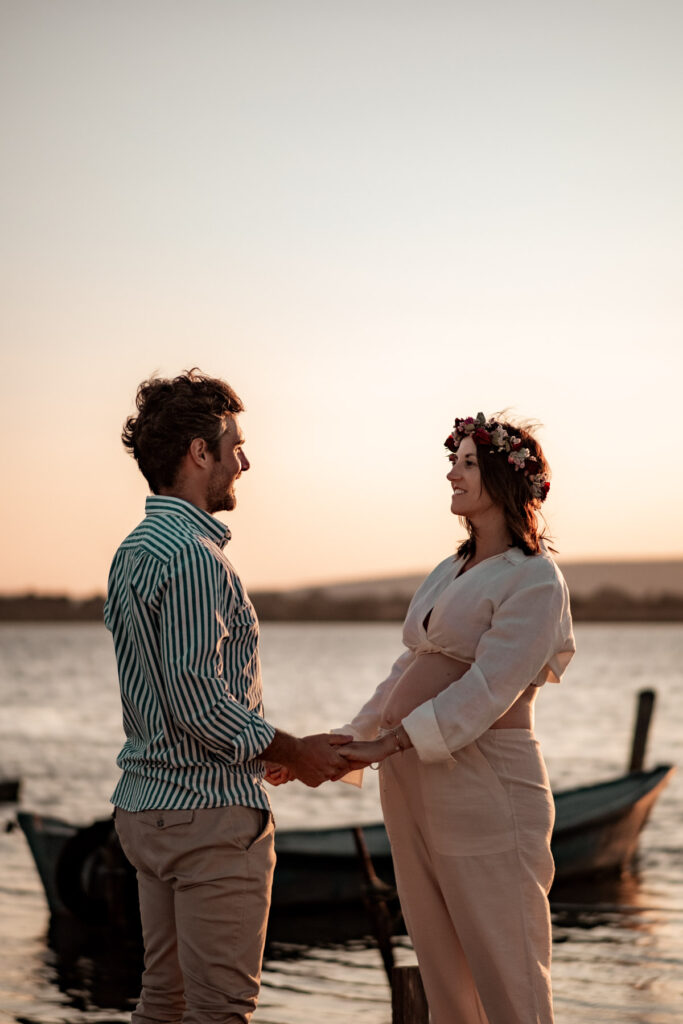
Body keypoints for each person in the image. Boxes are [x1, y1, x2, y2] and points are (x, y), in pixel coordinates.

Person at [105, 369, 351, 1024]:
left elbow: (172, 699)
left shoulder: (133, 551)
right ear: (198, 453)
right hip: (207, 819)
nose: (244, 460)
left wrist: (255, 749)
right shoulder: (192, 556)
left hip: (148, 810)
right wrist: (293, 749)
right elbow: (197, 699)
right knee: (221, 1012)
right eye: (233, 445)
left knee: (165, 1001)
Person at [336, 413, 575, 1024]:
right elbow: (409, 667)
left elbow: (488, 688)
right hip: (414, 785)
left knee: (508, 972)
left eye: (468, 463)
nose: (452, 473)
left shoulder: (534, 578)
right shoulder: (451, 570)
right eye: (456, 460)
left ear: (503, 476)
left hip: (486, 785)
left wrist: (388, 743)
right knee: (443, 975)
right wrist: (351, 740)